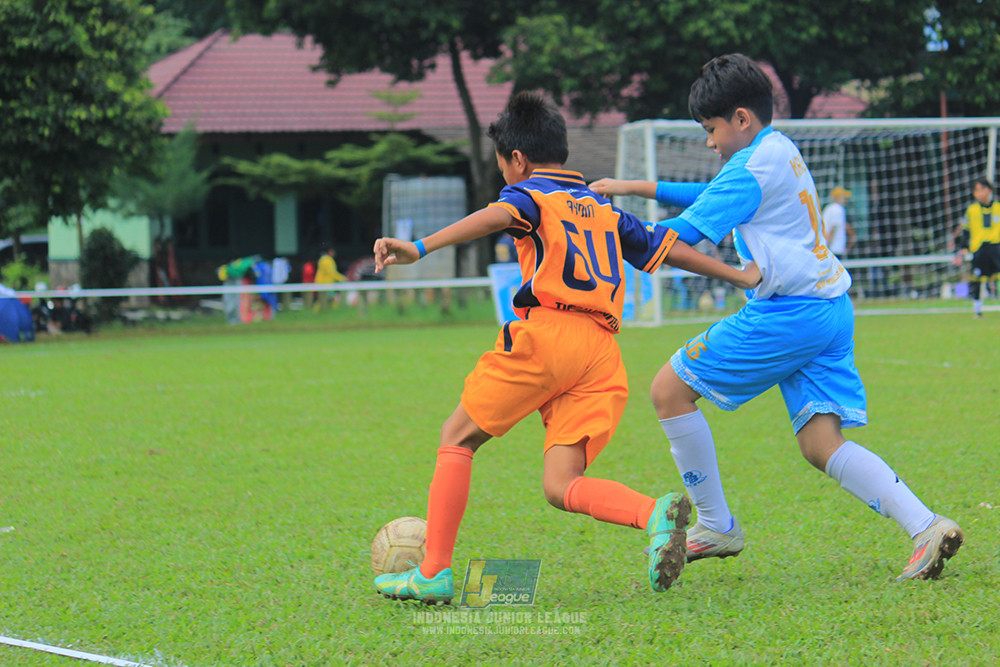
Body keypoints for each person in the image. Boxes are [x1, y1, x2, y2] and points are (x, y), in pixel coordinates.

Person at [371, 92, 761, 604]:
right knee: (562, 484)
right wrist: (737, 274)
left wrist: (420, 247)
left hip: (548, 335)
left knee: (457, 438)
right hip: (600, 353)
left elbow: (493, 217)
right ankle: (655, 514)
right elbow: (668, 249)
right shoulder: (604, 209)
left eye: (502, 166)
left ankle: (434, 571)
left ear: (518, 159)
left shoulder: (530, 195)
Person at [590, 53, 963, 582]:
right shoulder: (777, 149)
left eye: (711, 128)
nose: (708, 141)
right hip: (831, 308)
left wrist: (603, 221)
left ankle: (717, 524)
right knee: (821, 444)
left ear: (741, 118)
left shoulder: (745, 169)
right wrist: (634, 188)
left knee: (668, 390)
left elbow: (677, 240)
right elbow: (711, 193)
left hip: (789, 313)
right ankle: (926, 526)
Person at [951, 177, 1000, 318]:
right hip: (979, 249)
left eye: (982, 189)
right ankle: (977, 309)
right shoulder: (971, 210)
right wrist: (960, 251)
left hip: (997, 247)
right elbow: (965, 233)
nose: (979, 193)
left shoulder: (998, 207)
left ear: (989, 190)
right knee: (977, 279)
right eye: (976, 190)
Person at [822, 186, 856, 258]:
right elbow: (833, 229)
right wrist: (826, 246)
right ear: (838, 198)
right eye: (844, 197)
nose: (846, 200)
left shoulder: (829, 208)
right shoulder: (837, 208)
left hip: (831, 249)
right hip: (834, 250)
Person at [313, 246, 346, 311]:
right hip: (325, 284)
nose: (334, 253)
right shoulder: (327, 260)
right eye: (332, 251)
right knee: (324, 300)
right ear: (329, 252)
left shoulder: (324, 259)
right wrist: (342, 278)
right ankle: (317, 312)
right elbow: (331, 272)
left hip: (324, 283)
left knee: (325, 299)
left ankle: (323, 312)